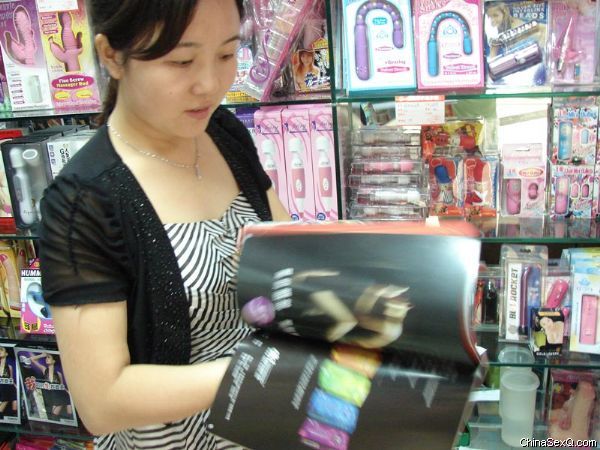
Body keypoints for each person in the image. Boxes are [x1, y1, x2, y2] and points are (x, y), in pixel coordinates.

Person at [38, 0, 290, 449]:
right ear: (112, 55)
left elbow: (287, 249)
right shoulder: (84, 201)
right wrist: (265, 368)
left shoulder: (224, 134)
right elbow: (102, 401)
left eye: (227, 53)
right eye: (181, 61)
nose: (209, 84)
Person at [28, 352, 73, 421]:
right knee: (54, 417)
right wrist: (42, 355)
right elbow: (32, 359)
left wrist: (69, 393)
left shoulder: (58, 373)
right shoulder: (44, 369)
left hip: (62, 394)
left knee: (70, 415)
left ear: (53, 361)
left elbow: (62, 386)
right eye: (46, 358)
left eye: (49, 357)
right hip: (53, 396)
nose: (46, 359)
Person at [0, 347, 17, 419]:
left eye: (1, 350)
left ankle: (13, 418)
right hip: (2, 388)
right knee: (6, 399)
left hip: (8, 387)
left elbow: (11, 379)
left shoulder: (9, 366)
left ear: (6, 354)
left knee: (15, 401)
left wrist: (16, 387)